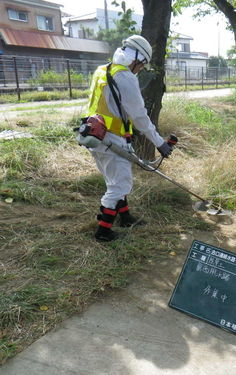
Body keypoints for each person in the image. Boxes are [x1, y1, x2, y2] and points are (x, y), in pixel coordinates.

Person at [85, 35, 173, 242]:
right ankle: (103, 231)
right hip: (111, 139)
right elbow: (139, 116)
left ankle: (124, 217)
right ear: (136, 57)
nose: (140, 69)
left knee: (115, 179)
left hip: (94, 134)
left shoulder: (103, 70)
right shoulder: (125, 77)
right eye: (141, 64)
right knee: (120, 184)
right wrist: (159, 143)